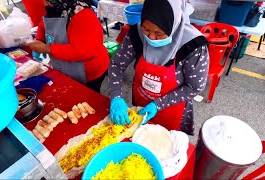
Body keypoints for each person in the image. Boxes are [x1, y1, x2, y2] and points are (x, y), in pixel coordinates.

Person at [108, 0, 209, 135]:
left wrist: (159, 104)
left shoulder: (193, 45)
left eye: (159, 33)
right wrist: (116, 96)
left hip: (172, 109)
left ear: (173, 25)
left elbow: (194, 87)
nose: (151, 37)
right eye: (146, 29)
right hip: (141, 100)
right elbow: (116, 64)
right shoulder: (136, 34)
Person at [26, 0, 109, 93]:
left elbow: (82, 52)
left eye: (48, 1)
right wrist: (39, 39)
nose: (45, 4)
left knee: (88, 97)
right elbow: (43, 24)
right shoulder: (56, 9)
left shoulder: (83, 14)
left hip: (89, 70)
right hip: (65, 65)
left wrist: (47, 49)